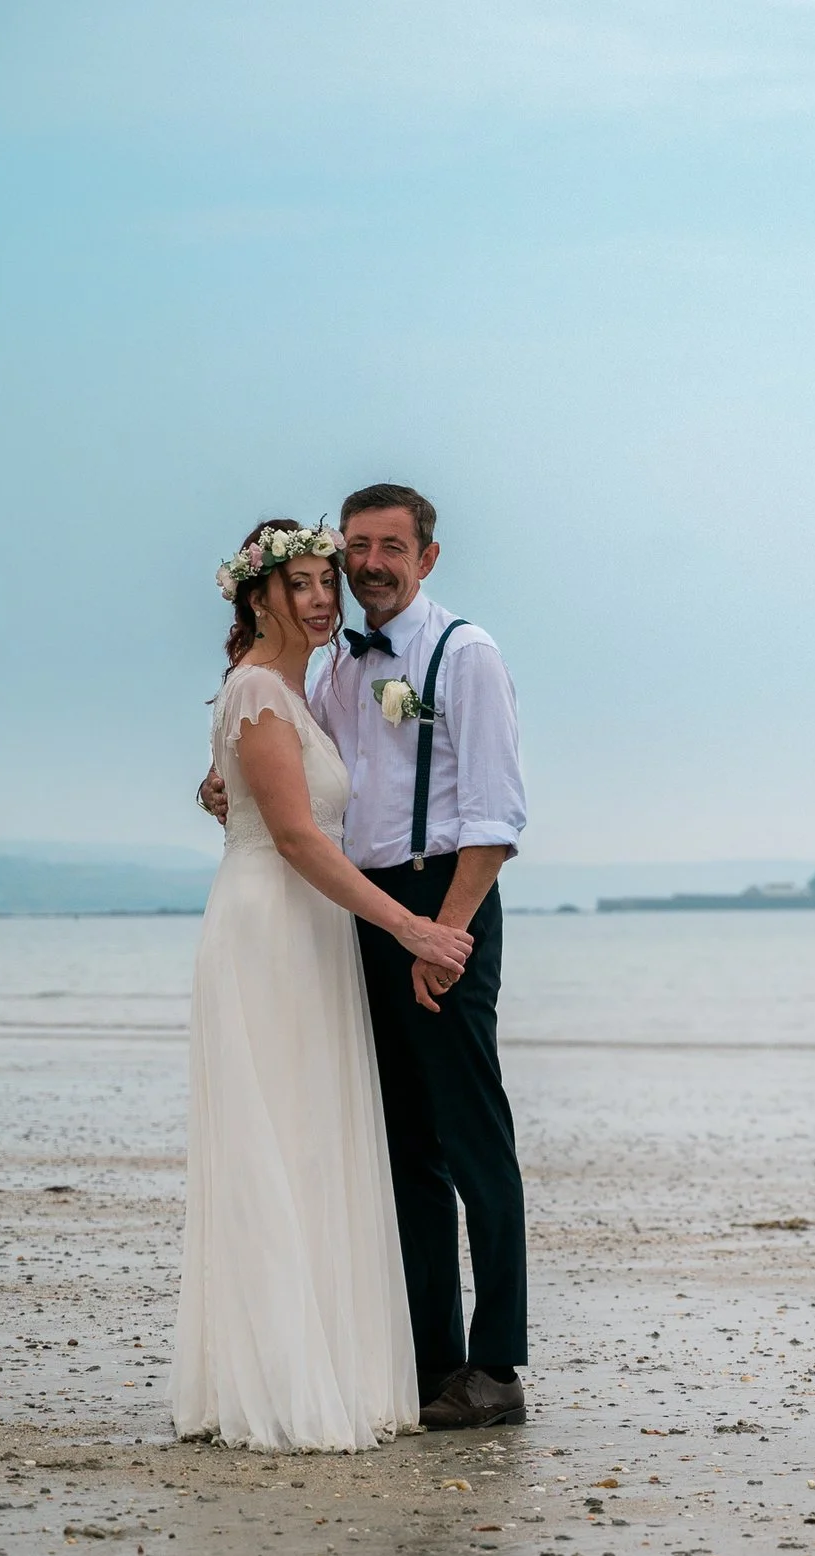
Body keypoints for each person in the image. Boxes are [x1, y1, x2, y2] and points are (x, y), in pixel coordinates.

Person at [201, 484, 532, 1430]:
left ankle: (497, 1363)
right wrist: (228, 783)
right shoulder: (336, 670)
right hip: (361, 911)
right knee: (402, 1149)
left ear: (427, 557)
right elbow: (306, 784)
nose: (371, 562)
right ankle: (432, 1366)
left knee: (474, 1137)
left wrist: (445, 934)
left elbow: (496, 816)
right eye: (358, 546)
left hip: (441, 904)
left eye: (392, 545)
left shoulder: (464, 653)